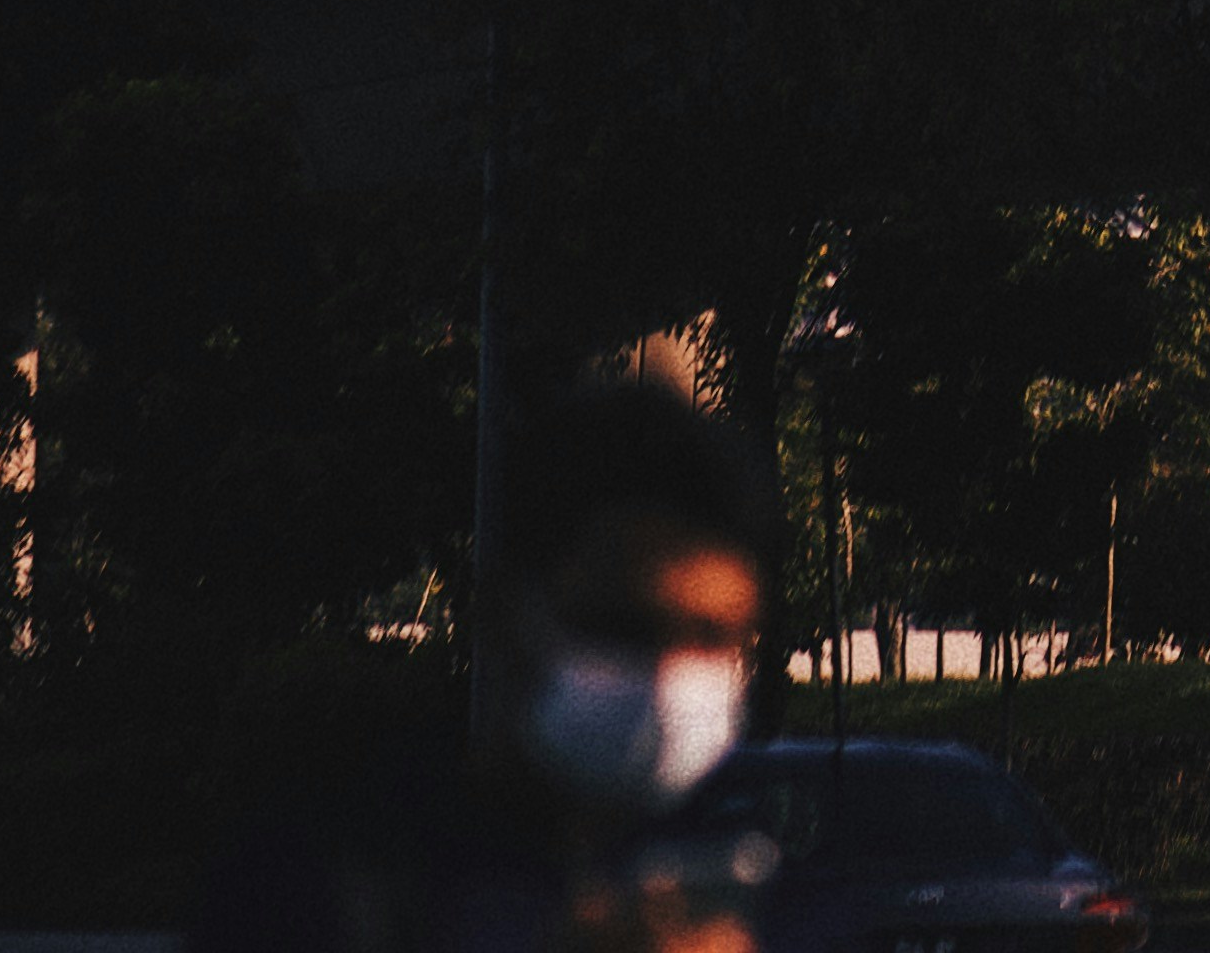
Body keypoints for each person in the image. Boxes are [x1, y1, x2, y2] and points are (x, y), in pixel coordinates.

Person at [189, 376, 776, 953]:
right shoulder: (325, 881)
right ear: (505, 618)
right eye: (618, 627)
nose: (667, 674)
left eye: (711, 635)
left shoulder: (759, 878)